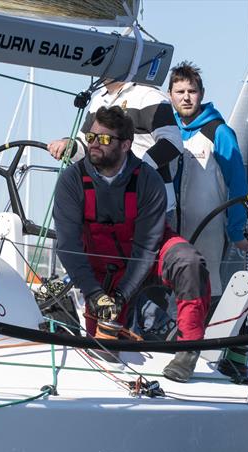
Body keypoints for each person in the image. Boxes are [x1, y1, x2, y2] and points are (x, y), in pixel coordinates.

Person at [53, 105, 210, 383]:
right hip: (103, 269)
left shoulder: (148, 179)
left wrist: (123, 295)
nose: (93, 144)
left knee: (189, 262)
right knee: (102, 353)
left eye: (103, 139)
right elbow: (67, 245)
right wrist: (95, 294)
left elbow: (147, 246)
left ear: (125, 145)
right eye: (90, 138)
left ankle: (187, 350)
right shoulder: (71, 180)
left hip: (147, 256)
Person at [168, 62, 248, 384]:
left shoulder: (219, 132)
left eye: (192, 91)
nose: (186, 97)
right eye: (180, 92)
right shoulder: (167, 132)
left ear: (201, 94)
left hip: (211, 228)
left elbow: (238, 184)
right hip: (174, 226)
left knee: (213, 289)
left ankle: (236, 360)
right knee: (174, 288)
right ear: (170, 95)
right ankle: (174, 344)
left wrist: (235, 229)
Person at [48, 79, 183, 213]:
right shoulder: (98, 100)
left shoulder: (149, 95)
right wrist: (68, 144)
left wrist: (137, 170)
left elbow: (172, 142)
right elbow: (85, 146)